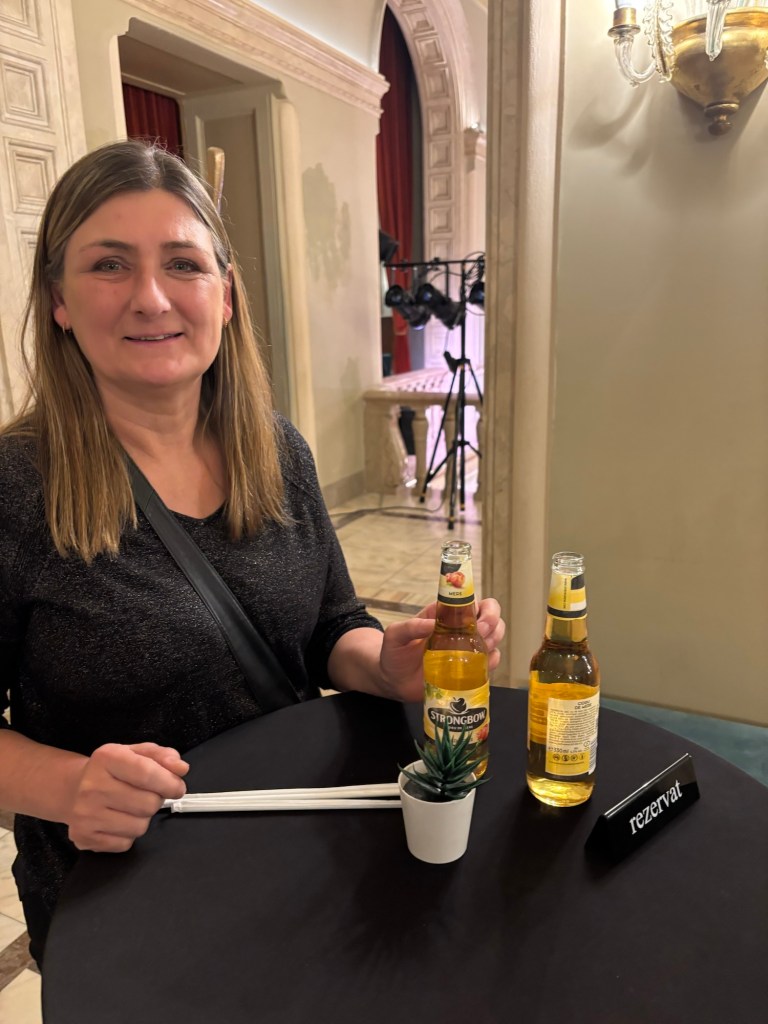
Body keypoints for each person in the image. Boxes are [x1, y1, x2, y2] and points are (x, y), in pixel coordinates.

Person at [0, 140, 505, 966]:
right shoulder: (17, 486)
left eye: (183, 264)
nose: (152, 297)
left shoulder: (276, 450)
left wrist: (387, 665)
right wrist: (68, 787)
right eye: (109, 265)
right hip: (125, 906)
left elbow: (329, 624)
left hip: (295, 865)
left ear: (226, 294)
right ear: (58, 299)